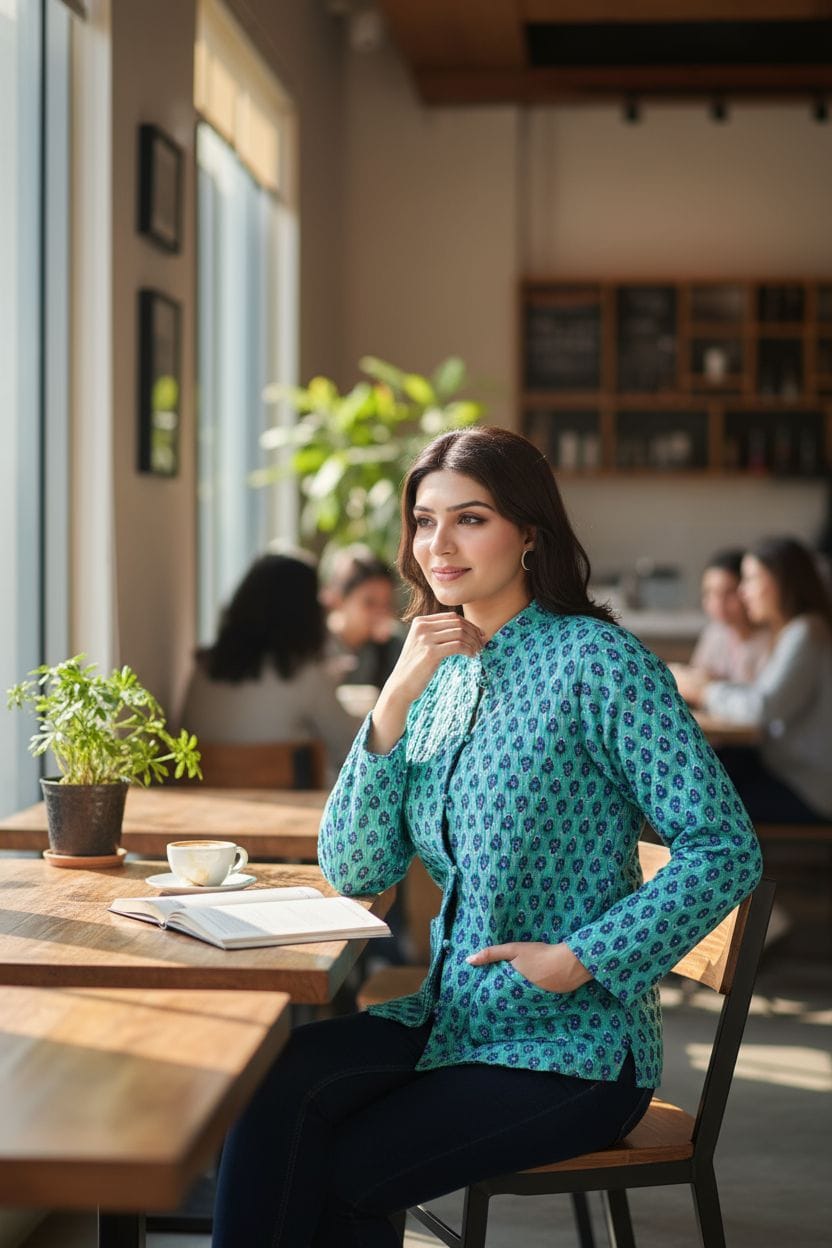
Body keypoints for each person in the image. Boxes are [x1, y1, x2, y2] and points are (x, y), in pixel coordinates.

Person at [211, 427, 762, 1248]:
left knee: (347, 1172)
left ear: (529, 532)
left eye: (470, 519)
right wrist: (392, 701)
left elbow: (724, 846)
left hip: (572, 1047)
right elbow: (355, 867)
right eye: (424, 522)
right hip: (454, 1018)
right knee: (273, 1093)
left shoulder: (600, 664)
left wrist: (580, 959)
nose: (440, 545)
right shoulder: (435, 676)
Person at [683, 536, 832, 823]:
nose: (743, 591)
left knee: (699, 801)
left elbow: (762, 708)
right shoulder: (796, 631)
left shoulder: (806, 632)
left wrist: (705, 691)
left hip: (806, 787)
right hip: (787, 773)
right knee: (703, 775)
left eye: (751, 579)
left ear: (781, 582)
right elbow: (763, 696)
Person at [180, 553, 359, 782]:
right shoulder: (305, 675)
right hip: (287, 802)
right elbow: (352, 750)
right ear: (306, 612)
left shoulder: (203, 670)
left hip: (201, 799)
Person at [670, 548, 770, 705]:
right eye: (710, 593)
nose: (718, 603)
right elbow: (697, 679)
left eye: (729, 593)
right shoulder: (715, 633)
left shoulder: (769, 640)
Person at [324, 551, 404, 689]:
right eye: (369, 603)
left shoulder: (392, 648)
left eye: (386, 604)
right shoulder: (316, 648)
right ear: (339, 599)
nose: (380, 612)